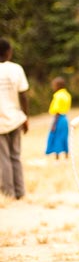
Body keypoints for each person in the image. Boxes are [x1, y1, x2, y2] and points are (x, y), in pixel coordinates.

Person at [0, 39, 29, 200]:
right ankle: (20, 191)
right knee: (15, 156)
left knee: (3, 157)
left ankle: (8, 193)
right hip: (15, 118)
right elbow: (23, 95)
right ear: (8, 52)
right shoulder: (16, 69)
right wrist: (26, 117)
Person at [45, 76, 72, 159]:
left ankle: (57, 157)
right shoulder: (67, 95)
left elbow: (57, 111)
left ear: (58, 86)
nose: (53, 87)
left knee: (56, 137)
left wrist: (54, 124)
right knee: (64, 137)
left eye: (54, 85)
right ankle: (66, 155)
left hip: (58, 118)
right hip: (65, 118)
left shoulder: (58, 96)